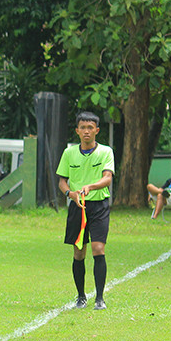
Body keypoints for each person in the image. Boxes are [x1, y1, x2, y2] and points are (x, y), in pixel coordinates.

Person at [57, 111, 115, 310]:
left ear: (97, 130)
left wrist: (91, 187)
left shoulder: (106, 152)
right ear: (77, 131)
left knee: (98, 249)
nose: (86, 131)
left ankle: (99, 298)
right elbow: (62, 181)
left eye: (90, 128)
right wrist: (69, 194)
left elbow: (107, 178)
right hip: (77, 207)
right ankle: (81, 296)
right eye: (83, 128)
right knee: (79, 252)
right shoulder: (69, 153)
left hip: (99, 205)